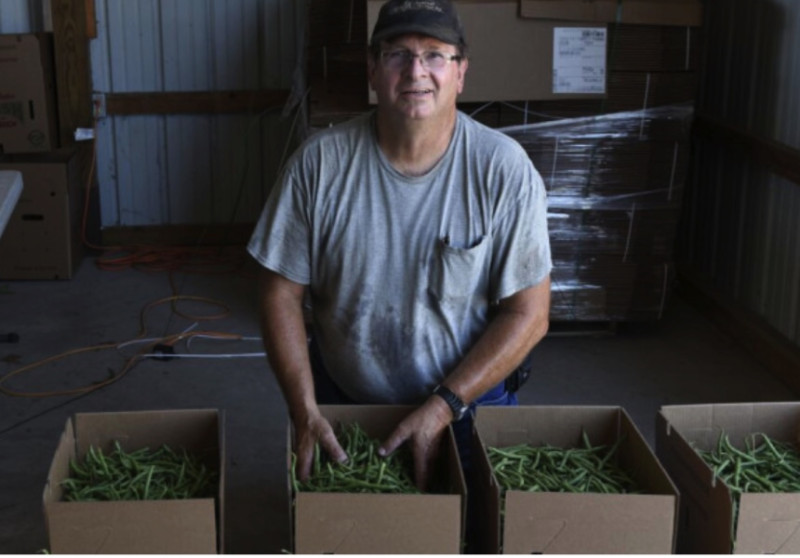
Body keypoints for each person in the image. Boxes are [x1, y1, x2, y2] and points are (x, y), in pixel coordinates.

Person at [248, 0, 552, 491]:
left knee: (480, 528)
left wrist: (443, 406)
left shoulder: (503, 170)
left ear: (461, 73)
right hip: (348, 401)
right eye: (397, 54)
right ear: (372, 70)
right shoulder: (318, 166)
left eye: (435, 55)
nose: (416, 71)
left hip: (469, 401)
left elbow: (530, 314)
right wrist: (304, 410)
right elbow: (280, 292)